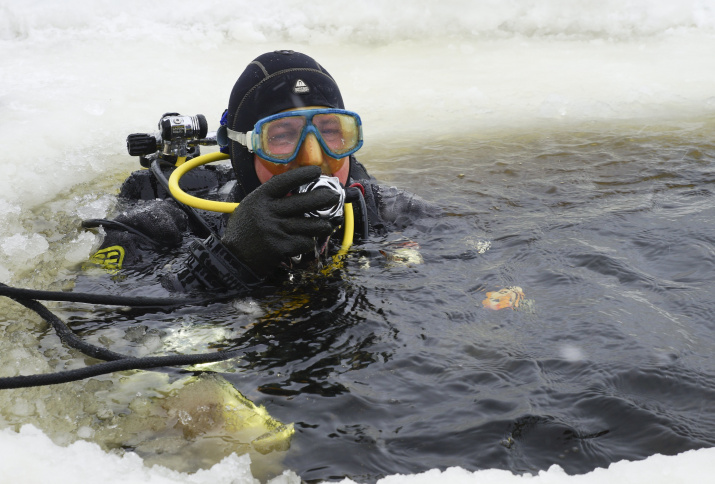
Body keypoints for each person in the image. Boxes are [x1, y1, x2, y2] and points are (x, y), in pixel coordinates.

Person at [83, 50, 434, 294]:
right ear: (242, 148)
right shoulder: (165, 225)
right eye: (282, 136)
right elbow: (93, 306)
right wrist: (226, 262)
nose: (313, 158)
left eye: (329, 130)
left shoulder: (388, 210)